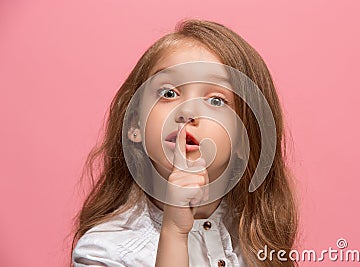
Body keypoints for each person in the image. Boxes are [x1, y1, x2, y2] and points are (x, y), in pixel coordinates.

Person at [70, 19, 298, 267]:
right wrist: (174, 232)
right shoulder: (105, 251)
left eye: (216, 100)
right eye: (168, 93)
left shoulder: (256, 235)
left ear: (245, 140)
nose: (187, 111)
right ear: (134, 124)